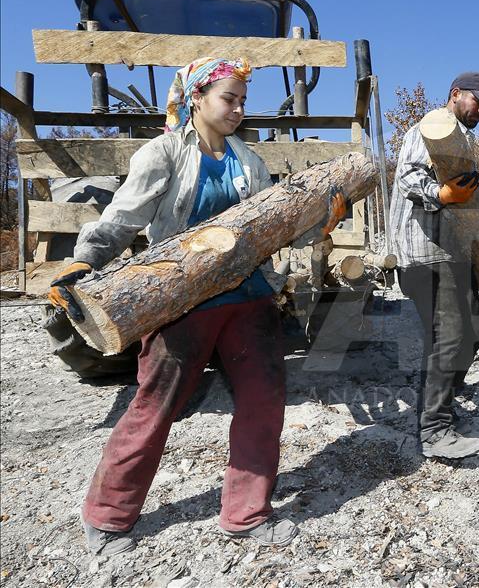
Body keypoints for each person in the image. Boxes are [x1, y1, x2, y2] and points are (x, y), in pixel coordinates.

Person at [47, 57, 346, 555]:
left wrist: (321, 222)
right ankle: (108, 516)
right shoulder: (164, 153)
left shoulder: (247, 161)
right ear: (197, 98)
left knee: (263, 400)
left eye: (243, 101)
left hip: (248, 297)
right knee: (156, 404)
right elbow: (122, 218)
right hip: (181, 299)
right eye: (229, 99)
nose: (238, 109)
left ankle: (246, 514)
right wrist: (83, 262)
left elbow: (276, 226)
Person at [388, 72, 479, 459]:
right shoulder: (431, 127)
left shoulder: (461, 137)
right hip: (423, 253)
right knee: (448, 338)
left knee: (474, 331)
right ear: (456, 94)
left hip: (453, 250)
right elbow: (406, 177)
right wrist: (441, 193)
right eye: (477, 101)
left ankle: (443, 398)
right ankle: (435, 430)